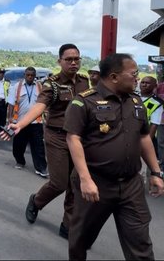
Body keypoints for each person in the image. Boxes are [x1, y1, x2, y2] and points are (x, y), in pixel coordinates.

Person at [64, 53, 164, 260]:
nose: (137, 78)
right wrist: (85, 179)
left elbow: (144, 137)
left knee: (140, 243)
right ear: (114, 77)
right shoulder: (84, 102)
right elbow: (73, 139)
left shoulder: (136, 101)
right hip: (96, 183)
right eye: (133, 73)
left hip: (131, 185)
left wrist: (155, 172)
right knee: (81, 238)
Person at [0, 43, 89, 239]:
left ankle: (68, 225)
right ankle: (36, 201)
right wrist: (20, 124)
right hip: (57, 136)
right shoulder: (52, 84)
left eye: (77, 59)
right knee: (59, 182)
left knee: (76, 182)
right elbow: (39, 106)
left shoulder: (85, 82)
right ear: (60, 61)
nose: (74, 63)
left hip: (79, 138)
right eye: (68, 59)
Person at [6, 67, 48, 176]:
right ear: (24, 75)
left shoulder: (40, 87)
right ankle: (20, 161)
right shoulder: (16, 87)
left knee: (38, 147)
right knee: (18, 146)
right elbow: (11, 103)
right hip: (20, 122)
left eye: (32, 75)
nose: (30, 77)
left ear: (35, 76)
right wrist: (10, 118)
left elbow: (44, 104)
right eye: (28, 75)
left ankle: (41, 168)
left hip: (36, 123)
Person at [139, 76, 163, 163]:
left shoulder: (157, 103)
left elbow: (154, 125)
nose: (144, 85)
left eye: (147, 83)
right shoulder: (132, 97)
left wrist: (146, 144)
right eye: (142, 82)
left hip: (142, 136)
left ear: (154, 86)